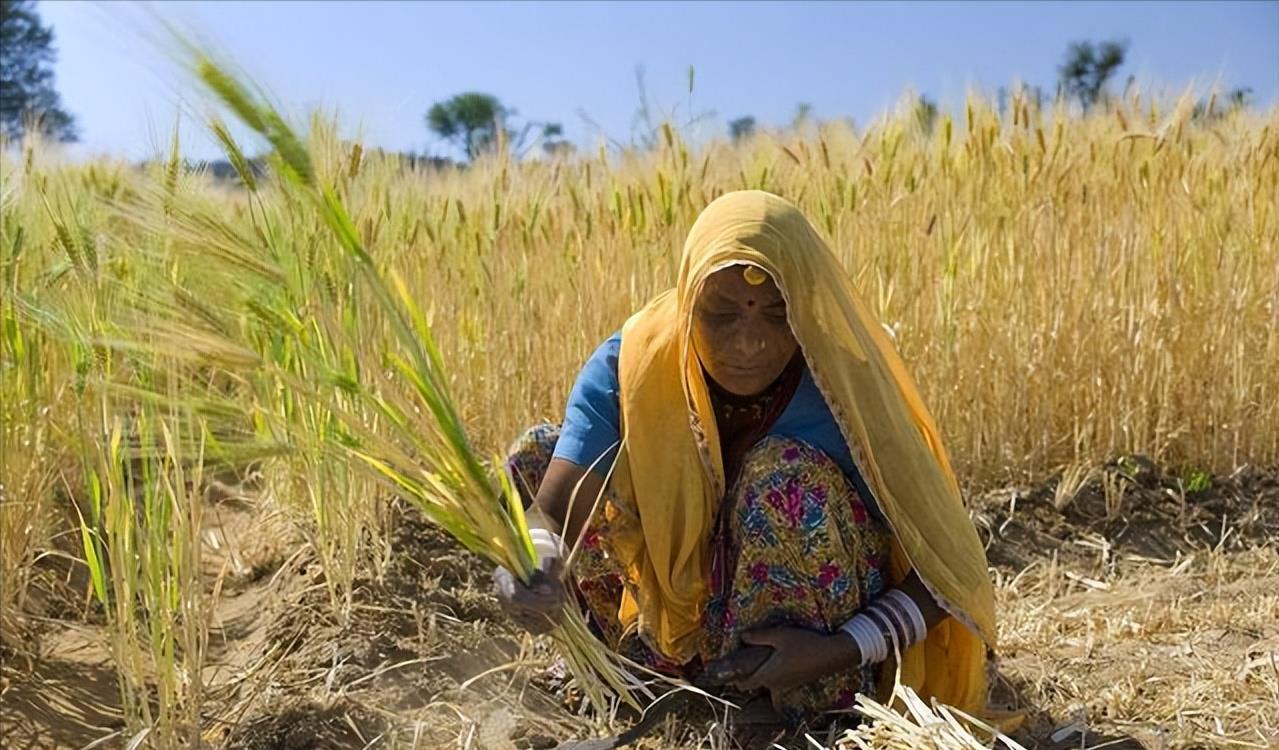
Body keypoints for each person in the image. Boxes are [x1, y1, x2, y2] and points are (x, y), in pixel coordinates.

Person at [493, 190, 996, 724]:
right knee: (536, 456)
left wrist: (840, 649)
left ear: (804, 306)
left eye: (777, 316)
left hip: (814, 655)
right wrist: (534, 562)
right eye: (721, 313)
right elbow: (553, 507)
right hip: (677, 626)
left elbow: (947, 573)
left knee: (783, 478)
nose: (748, 343)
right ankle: (643, 675)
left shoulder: (846, 392)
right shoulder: (632, 366)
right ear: (688, 299)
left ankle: (800, 712)